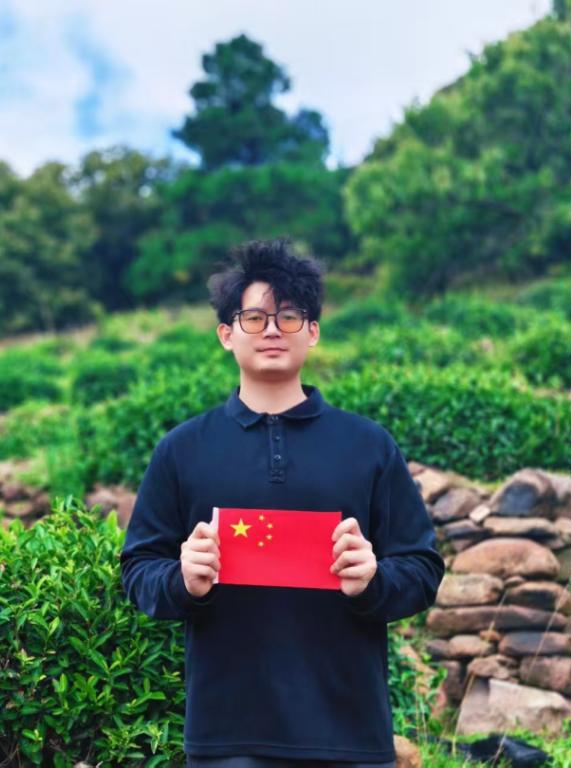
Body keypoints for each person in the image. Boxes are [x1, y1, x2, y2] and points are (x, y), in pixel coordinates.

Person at [119, 237, 445, 768]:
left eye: (289, 316)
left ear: (312, 332)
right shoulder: (182, 449)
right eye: (254, 318)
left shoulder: (369, 446)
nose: (272, 330)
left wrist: (374, 580)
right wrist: (182, 580)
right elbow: (138, 569)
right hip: (227, 740)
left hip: (351, 736)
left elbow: (423, 569)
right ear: (226, 334)